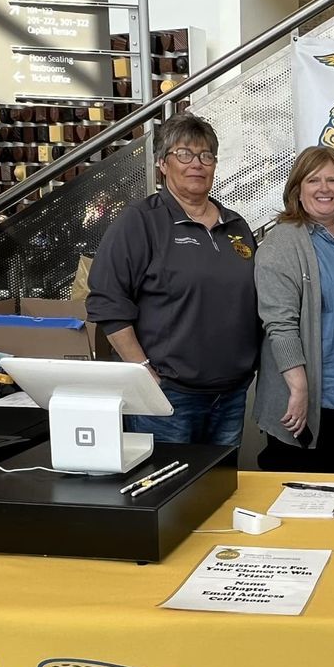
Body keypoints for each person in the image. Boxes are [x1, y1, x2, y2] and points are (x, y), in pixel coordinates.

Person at [87, 112, 260, 446]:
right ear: (162, 165)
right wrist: (143, 371)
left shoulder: (236, 225)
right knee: (166, 489)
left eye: (205, 156)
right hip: (169, 396)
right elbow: (107, 302)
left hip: (232, 393)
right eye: (184, 154)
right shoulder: (141, 222)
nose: (196, 163)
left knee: (218, 490)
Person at [253, 146, 334, 473]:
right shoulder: (283, 242)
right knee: (306, 502)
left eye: (333, 180)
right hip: (310, 399)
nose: (324, 188)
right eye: (313, 180)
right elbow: (280, 326)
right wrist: (299, 389)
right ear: (297, 191)